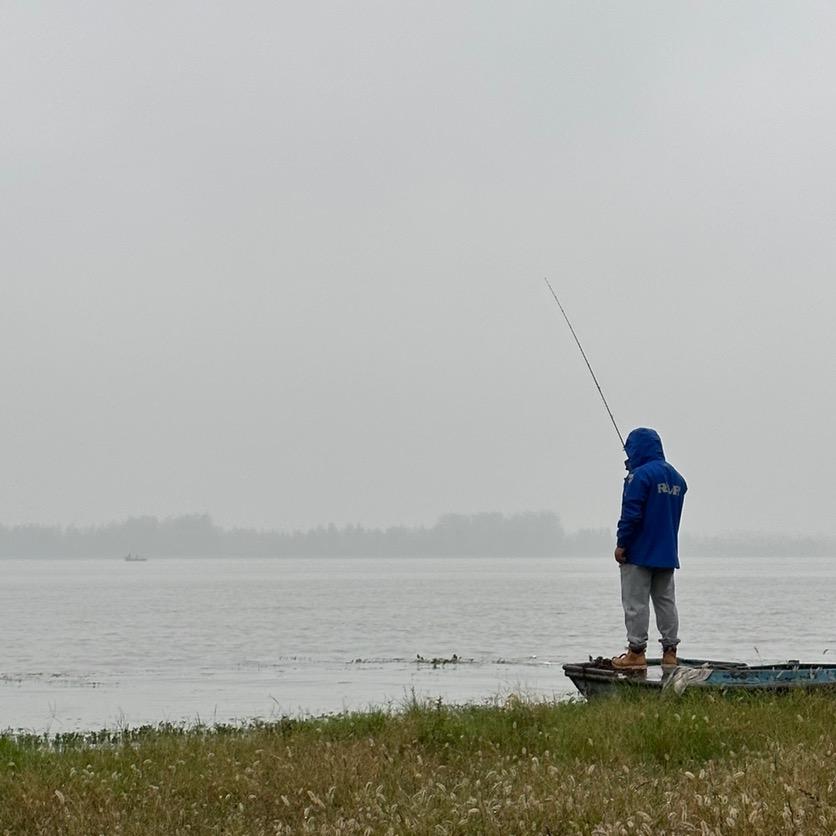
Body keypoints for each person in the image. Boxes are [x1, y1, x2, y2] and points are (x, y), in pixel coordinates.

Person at [611, 427, 687, 670]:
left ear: (637, 448)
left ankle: (636, 653)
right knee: (666, 602)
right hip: (666, 553)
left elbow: (631, 514)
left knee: (636, 603)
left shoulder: (639, 477)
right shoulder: (677, 478)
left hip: (639, 551)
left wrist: (622, 543)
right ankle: (670, 652)